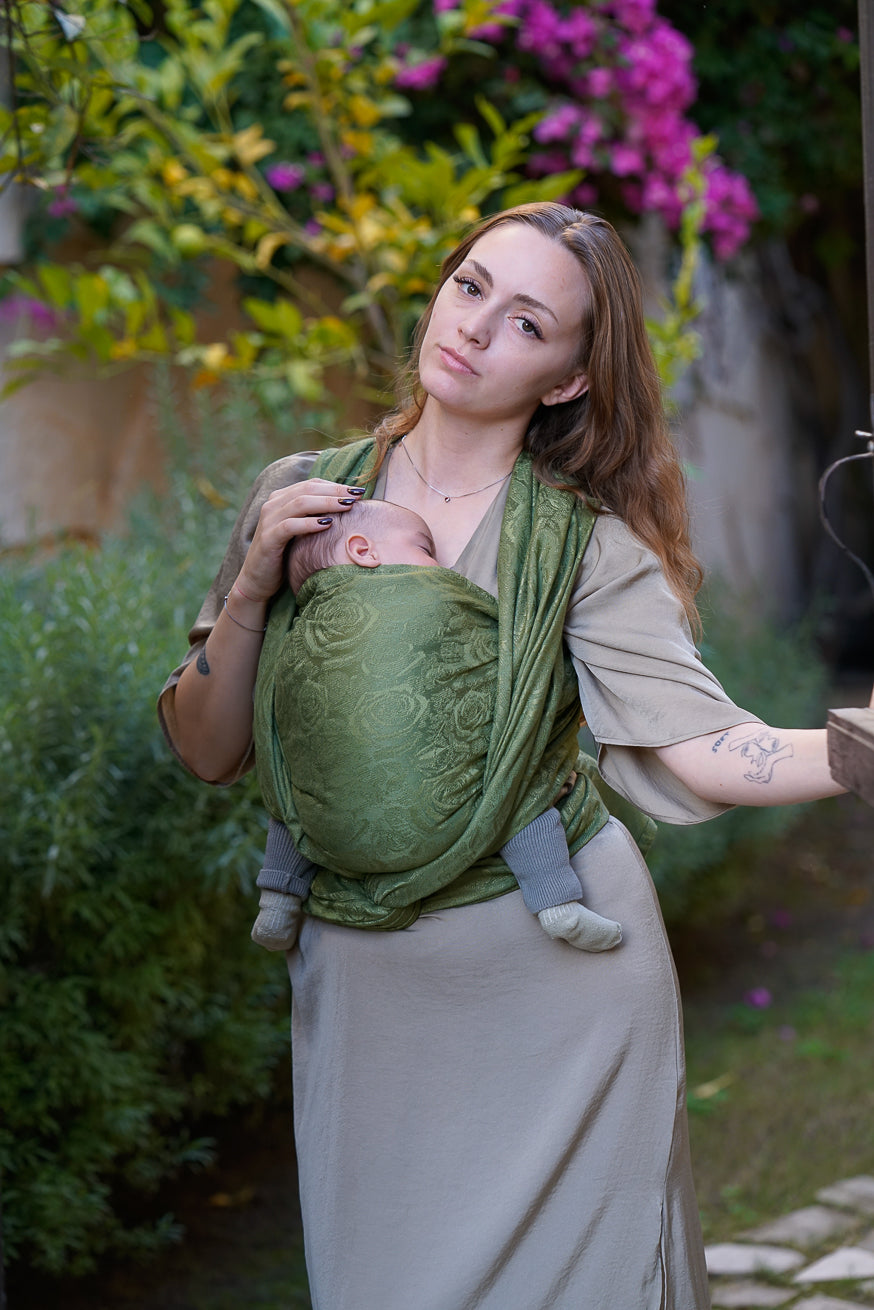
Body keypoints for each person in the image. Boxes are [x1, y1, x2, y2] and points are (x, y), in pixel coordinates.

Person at [159, 202, 867, 1310]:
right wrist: (254, 583)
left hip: (556, 986)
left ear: (569, 380)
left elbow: (701, 746)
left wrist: (855, 748)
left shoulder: (584, 544)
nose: (477, 327)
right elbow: (209, 749)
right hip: (365, 994)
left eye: (528, 322)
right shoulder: (303, 494)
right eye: (471, 286)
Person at [250, 497, 623, 954]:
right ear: (363, 551)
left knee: (297, 793)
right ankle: (555, 902)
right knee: (516, 778)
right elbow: (511, 660)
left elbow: (276, 717)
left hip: (332, 840)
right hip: (442, 816)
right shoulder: (428, 596)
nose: (441, 567)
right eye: (425, 549)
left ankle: (277, 901)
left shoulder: (294, 635)